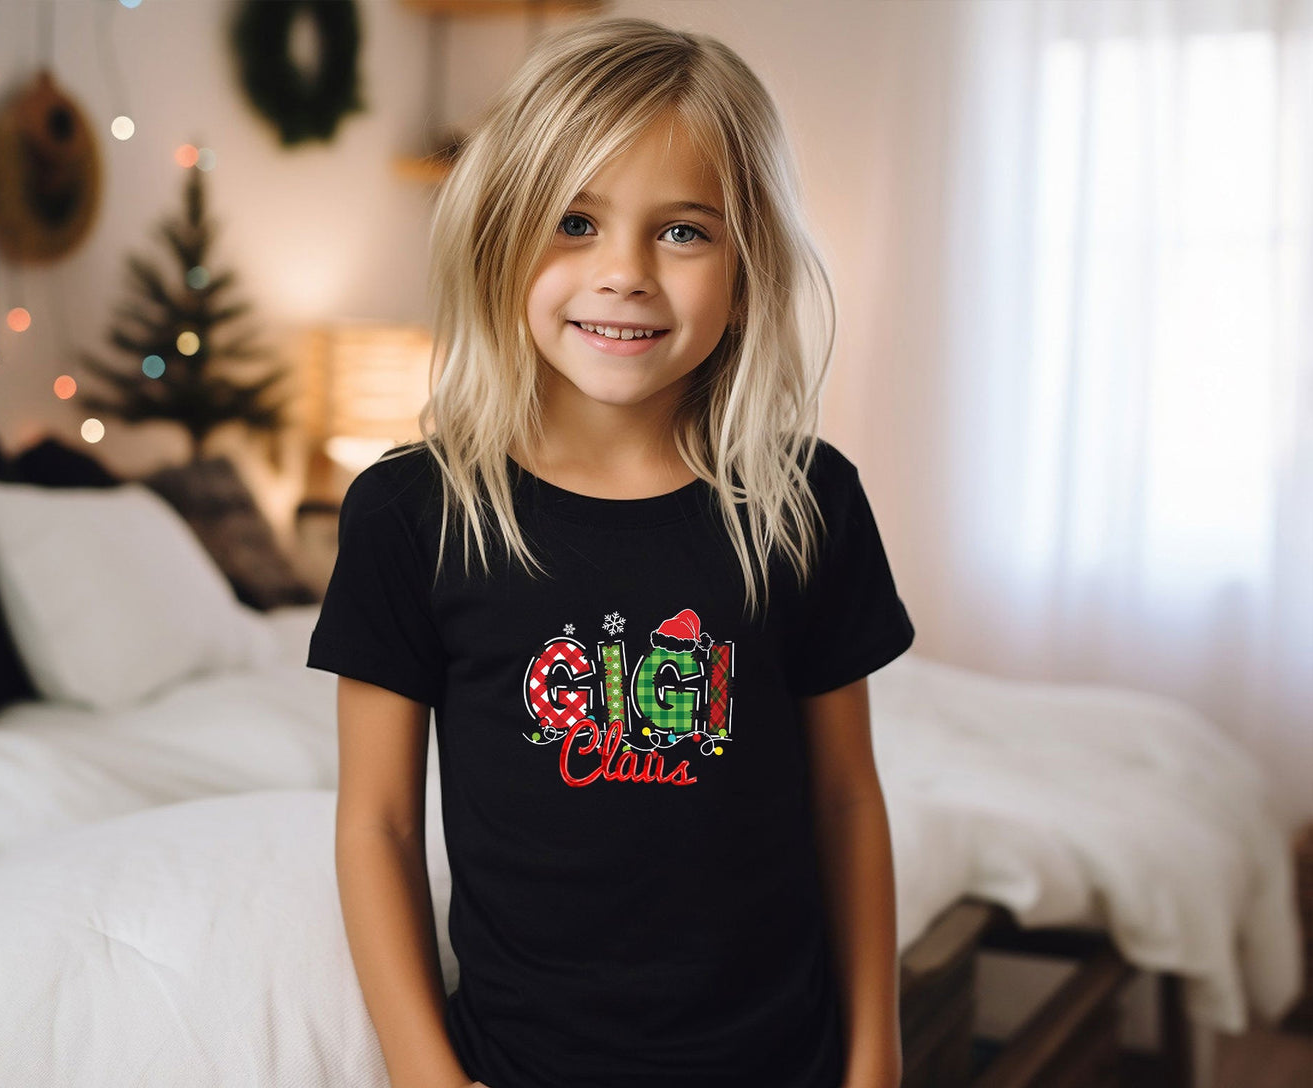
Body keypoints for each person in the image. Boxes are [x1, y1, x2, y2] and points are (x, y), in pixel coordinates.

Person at [307, 15, 915, 1088]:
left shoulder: (805, 500)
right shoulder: (410, 514)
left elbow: (844, 799)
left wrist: (875, 1058)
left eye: (683, 231)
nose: (624, 273)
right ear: (500, 237)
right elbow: (379, 821)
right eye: (574, 221)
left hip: (784, 1059)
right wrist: (424, 1073)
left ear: (748, 261)